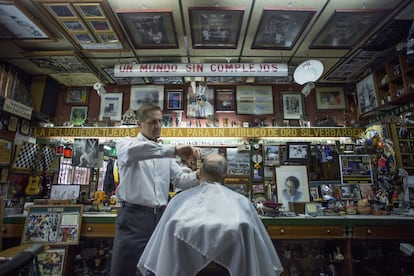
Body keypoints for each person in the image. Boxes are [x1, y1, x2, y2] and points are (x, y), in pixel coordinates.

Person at [138, 153, 283, 276]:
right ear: (224, 176)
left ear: (200, 172)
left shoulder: (178, 200)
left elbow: (166, 238)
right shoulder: (241, 202)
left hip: (183, 267)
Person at [110, 103, 202, 276]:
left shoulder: (164, 152)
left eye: (160, 121)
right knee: (123, 270)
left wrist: (200, 175)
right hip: (133, 219)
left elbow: (181, 180)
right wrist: (174, 150)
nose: (158, 126)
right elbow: (137, 152)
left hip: (160, 217)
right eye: (152, 122)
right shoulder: (126, 145)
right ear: (139, 124)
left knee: (157, 269)